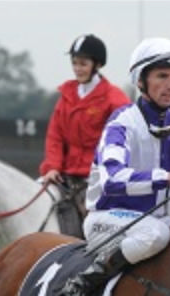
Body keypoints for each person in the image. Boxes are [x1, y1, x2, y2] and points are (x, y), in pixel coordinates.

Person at [63, 37, 170, 296]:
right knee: (156, 234)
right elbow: (113, 181)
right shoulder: (122, 122)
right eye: (162, 76)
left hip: (157, 221)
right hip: (107, 220)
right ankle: (86, 279)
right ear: (140, 81)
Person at [40, 33, 131, 237]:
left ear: (96, 65)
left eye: (82, 63)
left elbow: (123, 140)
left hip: (97, 177)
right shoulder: (66, 95)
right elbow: (55, 135)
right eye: (74, 63)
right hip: (65, 175)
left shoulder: (114, 99)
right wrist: (53, 167)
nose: (77, 69)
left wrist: (104, 172)